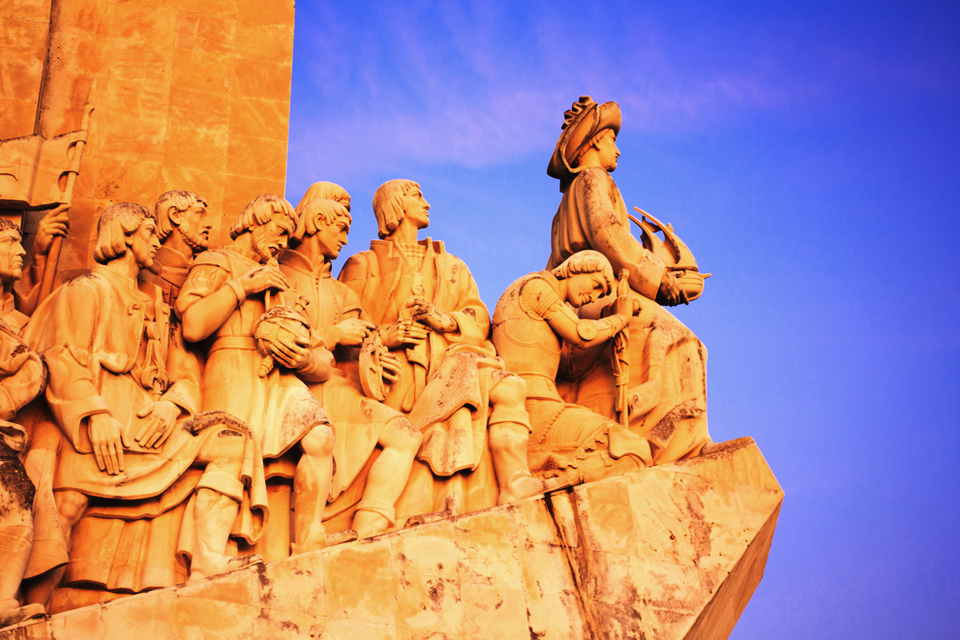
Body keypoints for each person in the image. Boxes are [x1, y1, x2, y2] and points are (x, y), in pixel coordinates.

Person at [21, 202, 266, 600]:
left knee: (233, 443)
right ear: (124, 236)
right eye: (149, 234)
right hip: (97, 422)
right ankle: (32, 604)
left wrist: (173, 404)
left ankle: (207, 563)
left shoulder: (157, 306)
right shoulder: (84, 290)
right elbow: (60, 356)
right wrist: (94, 415)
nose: (157, 242)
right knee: (66, 505)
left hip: (149, 423)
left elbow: (186, 373)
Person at [339, 179, 545, 519]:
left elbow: (478, 317)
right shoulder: (364, 265)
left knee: (508, 386)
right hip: (397, 374)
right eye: (417, 196)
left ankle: (515, 480)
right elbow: (345, 325)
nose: (427, 204)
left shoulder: (453, 266)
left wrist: (446, 321)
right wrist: (386, 336)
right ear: (395, 206)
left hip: (451, 358)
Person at [546, 96, 712, 463]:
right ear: (594, 143)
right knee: (681, 340)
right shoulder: (593, 180)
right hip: (592, 297)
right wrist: (660, 280)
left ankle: (679, 439)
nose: (618, 151)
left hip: (589, 297)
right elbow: (609, 235)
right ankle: (669, 444)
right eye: (613, 141)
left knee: (679, 339)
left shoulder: (573, 196)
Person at [177, 194, 341, 557]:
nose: (283, 244)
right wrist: (243, 286)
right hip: (231, 368)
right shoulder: (215, 261)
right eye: (280, 232)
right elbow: (192, 325)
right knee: (235, 457)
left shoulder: (276, 278)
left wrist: (302, 356)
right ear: (255, 220)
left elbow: (301, 337)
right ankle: (211, 556)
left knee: (320, 435)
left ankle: (310, 535)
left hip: (278, 377)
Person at [280, 183, 421, 537]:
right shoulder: (277, 276)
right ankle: (310, 536)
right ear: (317, 221)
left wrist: (378, 350)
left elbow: (362, 344)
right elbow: (277, 338)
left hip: (337, 386)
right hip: (294, 384)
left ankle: (368, 529)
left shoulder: (341, 291)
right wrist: (335, 335)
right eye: (341, 229)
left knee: (404, 434)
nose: (346, 239)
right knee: (320, 440)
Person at [492, 250, 652, 484]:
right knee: (632, 448)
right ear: (578, 268)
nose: (595, 296)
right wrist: (620, 318)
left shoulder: (546, 303)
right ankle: (554, 485)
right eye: (596, 284)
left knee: (631, 452)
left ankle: (557, 484)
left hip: (544, 405)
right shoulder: (536, 288)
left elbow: (570, 369)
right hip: (534, 408)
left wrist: (608, 326)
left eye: (602, 293)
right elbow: (580, 334)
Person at [0, 219, 48, 626]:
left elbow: (34, 349)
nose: (20, 250)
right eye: (10, 242)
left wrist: (45, 253)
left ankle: (2, 601)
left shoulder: (13, 315)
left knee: (18, 504)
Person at [140, 190, 212, 308]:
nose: (208, 224)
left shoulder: (209, 274)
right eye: (199, 214)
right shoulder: (142, 274)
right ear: (175, 215)